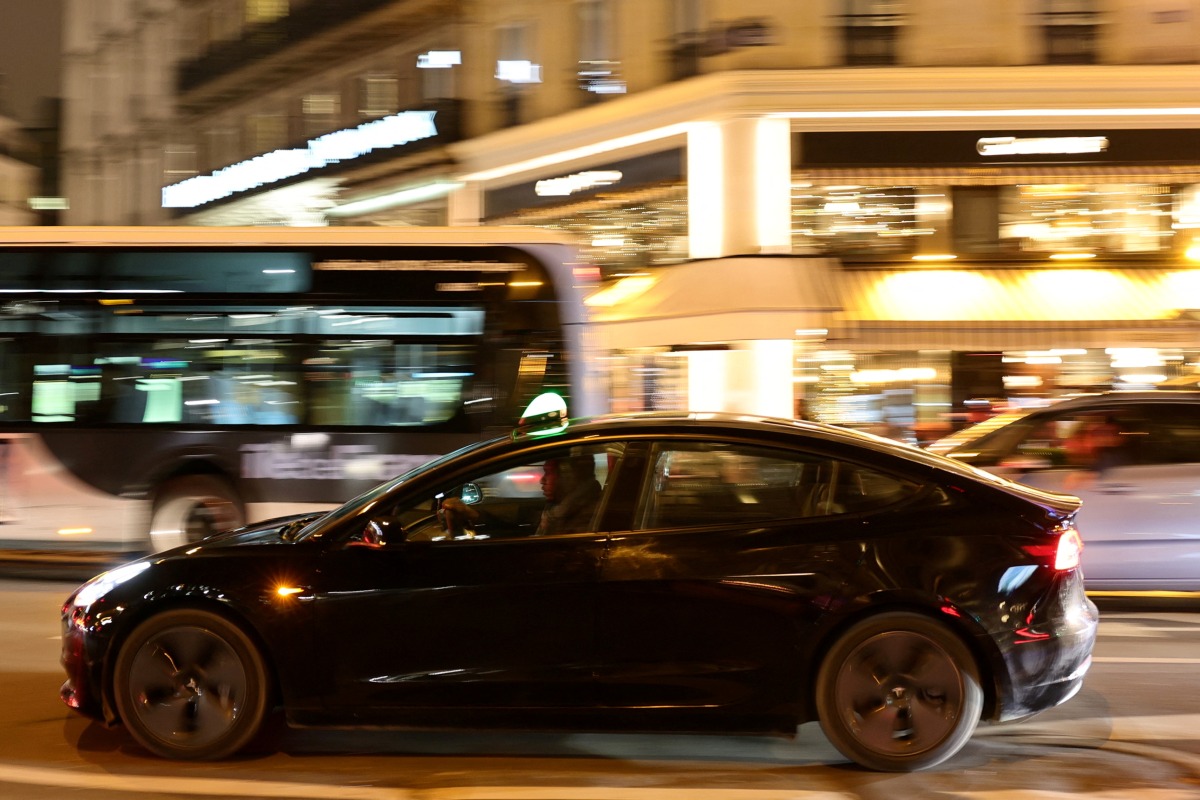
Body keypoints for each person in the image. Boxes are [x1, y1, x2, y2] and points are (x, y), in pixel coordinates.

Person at [535, 454, 602, 536]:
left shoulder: (586, 517)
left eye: (548, 472)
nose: (542, 480)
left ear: (567, 477)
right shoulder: (558, 509)